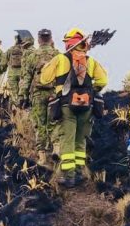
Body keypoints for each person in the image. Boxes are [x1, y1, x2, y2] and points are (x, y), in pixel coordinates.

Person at [40, 28, 108, 186]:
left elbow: (44, 79)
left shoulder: (60, 59)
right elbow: (103, 81)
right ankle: (80, 173)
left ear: (69, 43)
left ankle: (69, 177)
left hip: (66, 106)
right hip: (87, 106)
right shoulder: (91, 61)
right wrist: (91, 91)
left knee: (67, 140)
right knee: (80, 141)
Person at [19, 29, 61, 166]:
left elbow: (26, 78)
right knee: (54, 122)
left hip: (37, 94)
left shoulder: (33, 55)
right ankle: (56, 147)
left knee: (40, 125)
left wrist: (23, 95)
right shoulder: (57, 55)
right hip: (54, 93)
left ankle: (42, 157)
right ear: (51, 39)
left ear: (38, 40)